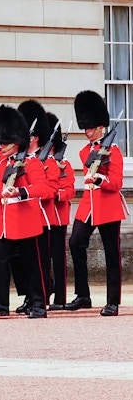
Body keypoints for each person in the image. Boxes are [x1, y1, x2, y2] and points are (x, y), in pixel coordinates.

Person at [0, 105, 50, 319]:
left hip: (26, 220)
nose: (0, 146)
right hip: (6, 221)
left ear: (16, 142)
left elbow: (42, 188)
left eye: (4, 143)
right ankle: (0, 303)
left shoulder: (32, 163)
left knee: (33, 264)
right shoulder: (4, 163)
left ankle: (38, 303)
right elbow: (3, 186)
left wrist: (20, 191)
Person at [65, 90, 126, 316]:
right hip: (89, 205)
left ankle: (113, 302)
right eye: (85, 128)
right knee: (75, 243)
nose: (87, 131)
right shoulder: (85, 152)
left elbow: (117, 182)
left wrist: (100, 178)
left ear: (101, 126)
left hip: (108, 205)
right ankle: (83, 295)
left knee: (112, 254)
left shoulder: (114, 152)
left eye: (90, 127)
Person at [13, 100, 57, 313]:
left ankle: (40, 299)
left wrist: (26, 192)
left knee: (38, 261)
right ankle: (30, 296)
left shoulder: (45, 161)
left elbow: (49, 191)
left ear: (35, 137)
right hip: (22, 215)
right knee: (21, 260)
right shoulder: (20, 159)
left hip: (41, 217)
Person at [45, 112, 75, 310]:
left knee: (58, 258)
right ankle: (44, 292)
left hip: (58, 217)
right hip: (42, 217)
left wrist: (55, 194)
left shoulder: (64, 165)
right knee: (42, 258)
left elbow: (70, 190)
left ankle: (60, 298)